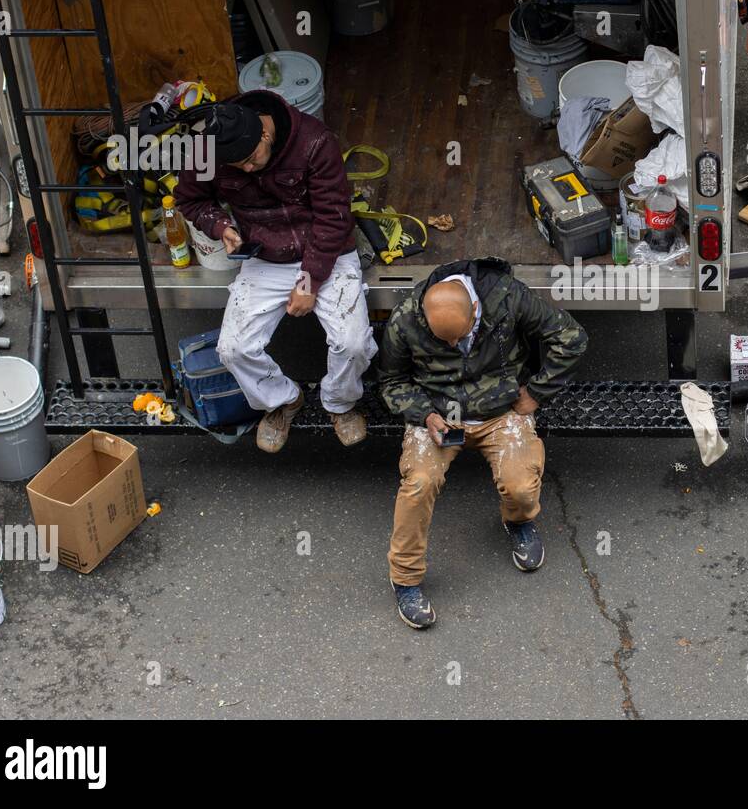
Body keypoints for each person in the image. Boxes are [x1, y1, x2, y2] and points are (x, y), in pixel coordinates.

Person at [379, 257, 588, 630]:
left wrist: (536, 393)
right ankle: (406, 580)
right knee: (419, 483)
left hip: (500, 411)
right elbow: (392, 382)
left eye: (460, 336)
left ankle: (518, 521)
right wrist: (425, 414)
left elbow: (571, 338)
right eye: (445, 341)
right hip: (439, 414)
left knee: (522, 486)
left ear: (475, 308)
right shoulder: (407, 316)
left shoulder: (506, 297)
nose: (454, 345)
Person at [175, 91, 376, 452]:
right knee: (233, 349)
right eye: (238, 168)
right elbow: (191, 200)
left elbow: (334, 217)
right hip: (265, 253)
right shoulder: (207, 151)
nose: (248, 170)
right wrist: (221, 225)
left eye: (252, 159)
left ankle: (339, 403)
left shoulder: (314, 141)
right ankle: (282, 400)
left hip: (326, 249)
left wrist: (310, 280)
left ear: (265, 135)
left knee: (353, 342)